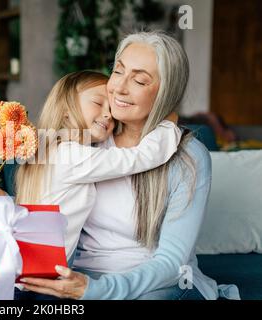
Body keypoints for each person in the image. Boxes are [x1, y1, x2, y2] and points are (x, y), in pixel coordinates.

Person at [14, 31, 240, 300]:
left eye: (140, 80)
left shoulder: (189, 157)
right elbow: (45, 193)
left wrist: (97, 290)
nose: (119, 88)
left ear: (165, 94)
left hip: (153, 283)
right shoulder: (92, 138)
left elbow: (173, 264)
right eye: (118, 71)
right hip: (78, 278)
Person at [0, 69, 182, 300]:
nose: (108, 114)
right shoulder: (72, 155)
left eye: (111, 110)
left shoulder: (47, 150)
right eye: (98, 103)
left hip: (16, 274)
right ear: (67, 110)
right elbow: (137, 158)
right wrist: (166, 124)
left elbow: (36, 213)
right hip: (22, 281)